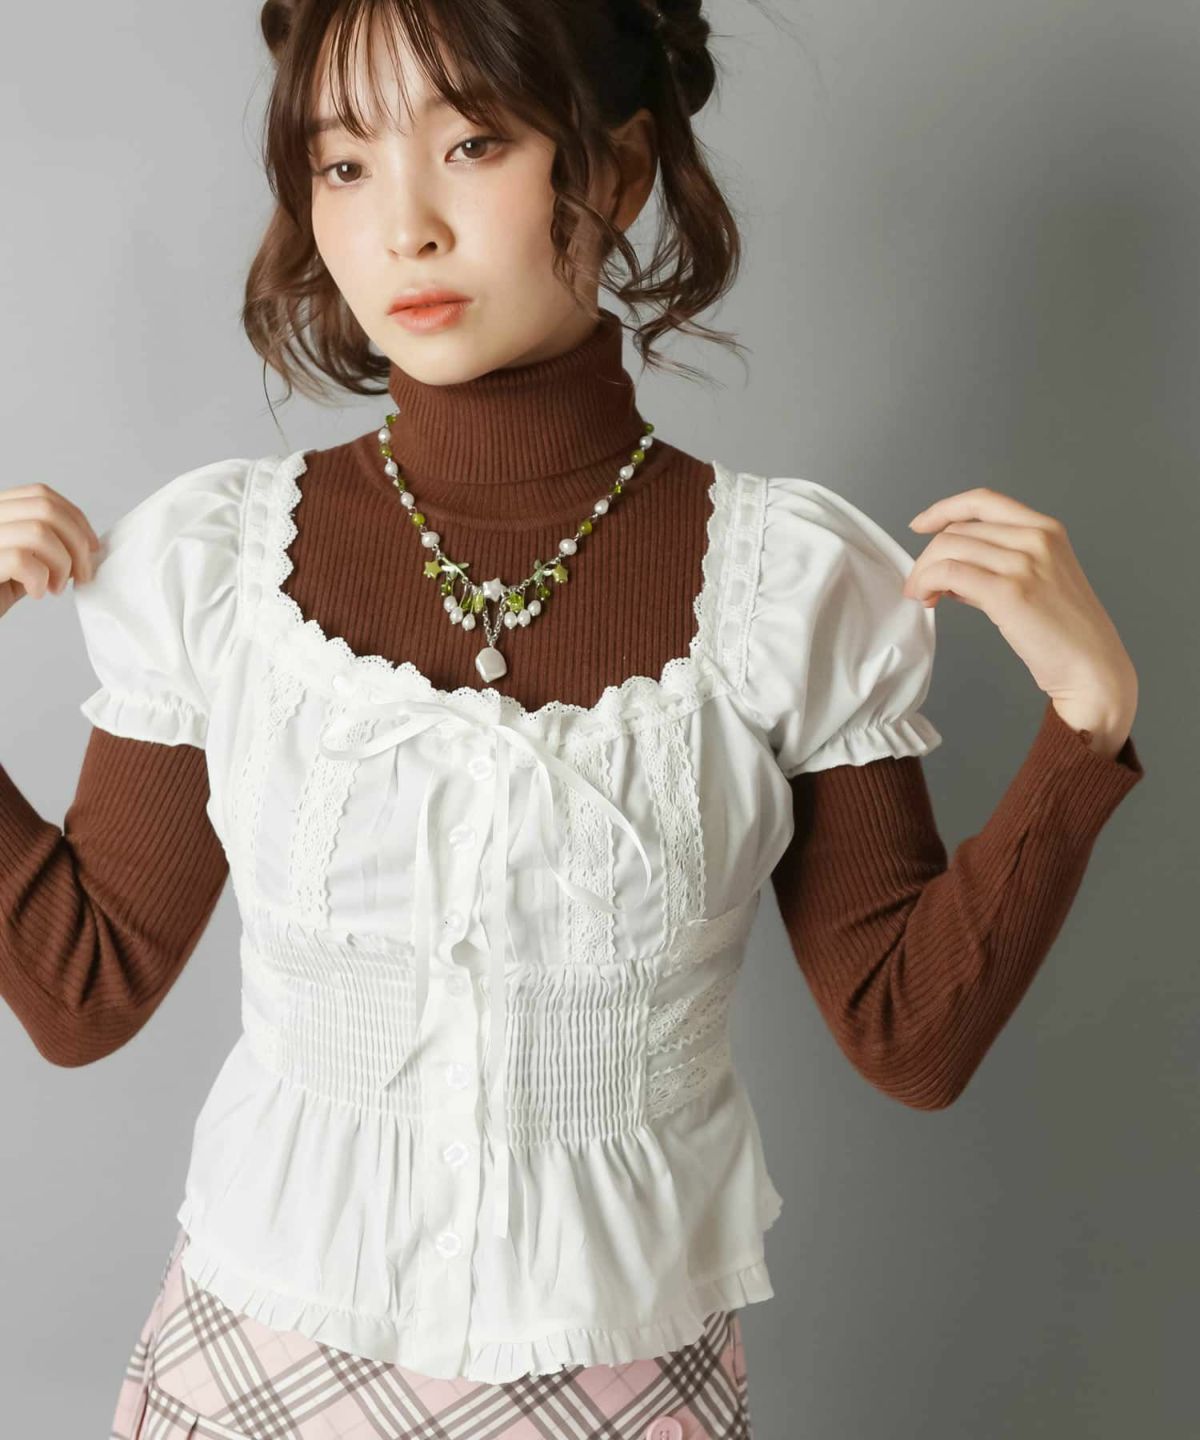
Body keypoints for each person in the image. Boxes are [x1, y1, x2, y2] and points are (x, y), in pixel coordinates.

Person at [0, 1, 1144, 1436]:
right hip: (254, 1364)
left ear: (616, 168)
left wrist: (1087, 723)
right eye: (344, 165)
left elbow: (910, 1037)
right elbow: (81, 991)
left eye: (473, 143)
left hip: (619, 1380)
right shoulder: (215, 564)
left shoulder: (793, 584)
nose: (404, 227)